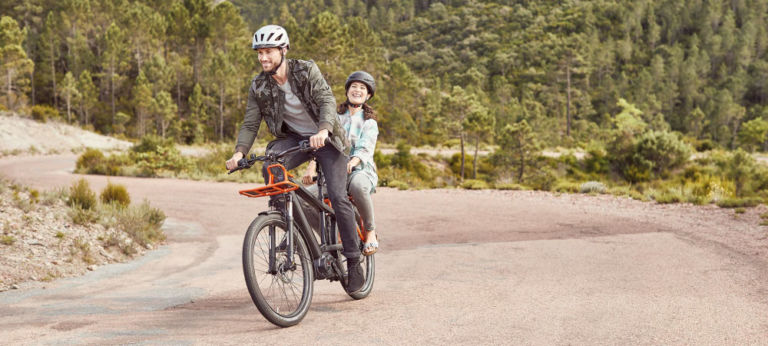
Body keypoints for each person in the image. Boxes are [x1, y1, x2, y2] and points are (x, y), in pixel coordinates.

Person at [225, 25, 365, 293]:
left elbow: (326, 100)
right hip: (295, 140)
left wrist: (323, 130)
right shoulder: (258, 85)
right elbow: (250, 123)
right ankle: (288, 222)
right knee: (271, 165)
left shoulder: (305, 70)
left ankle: (354, 260)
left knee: (337, 196)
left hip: (328, 139)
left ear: (283, 50)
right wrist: (239, 153)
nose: (263, 58)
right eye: (259, 53)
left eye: (268, 52)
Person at [302, 71, 379, 256]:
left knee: (358, 187)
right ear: (347, 91)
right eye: (354, 86)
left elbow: (365, 147)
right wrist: (312, 166)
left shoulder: (369, 122)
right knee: (303, 199)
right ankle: (331, 235)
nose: (357, 90)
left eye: (362, 88)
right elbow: (322, 143)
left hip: (359, 171)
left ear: (368, 95)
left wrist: (352, 161)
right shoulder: (334, 119)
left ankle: (370, 232)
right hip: (334, 173)